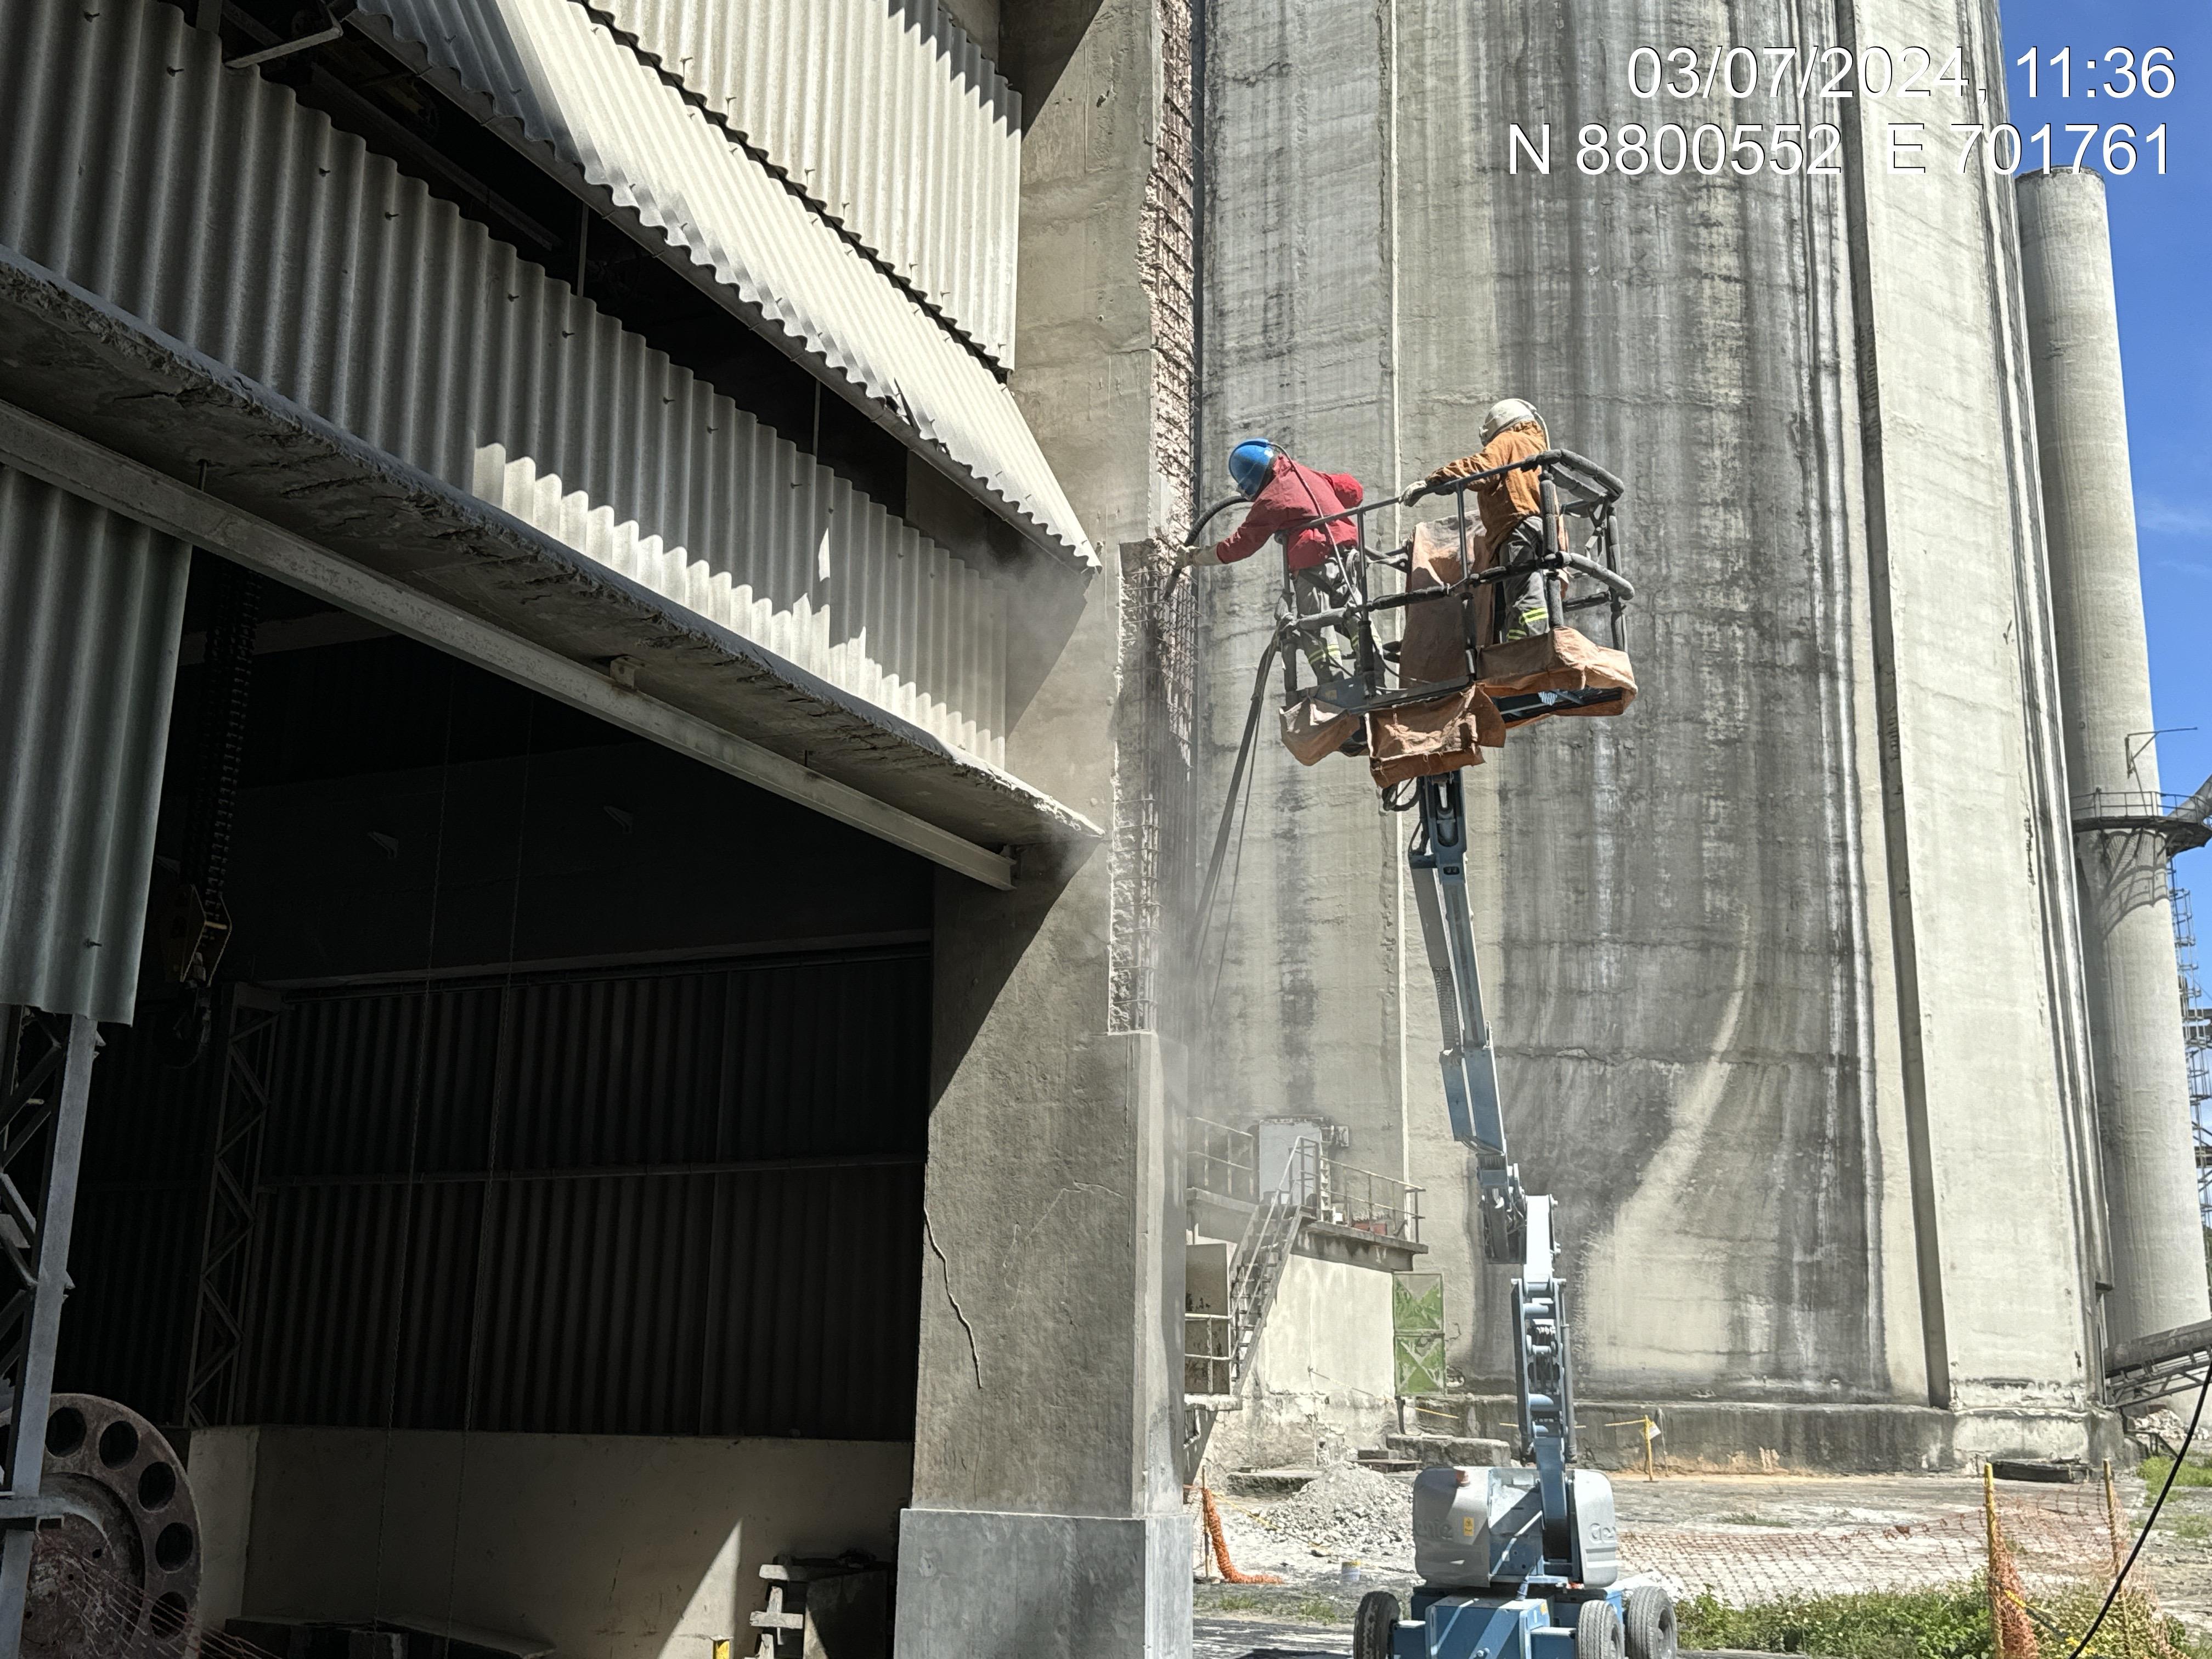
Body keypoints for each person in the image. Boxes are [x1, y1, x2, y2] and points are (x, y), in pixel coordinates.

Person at [1178, 438, 1365, 681]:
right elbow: (1354, 491)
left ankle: (1333, 684)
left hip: (1313, 563)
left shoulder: (1272, 499)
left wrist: (1194, 557)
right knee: (1357, 614)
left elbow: (1241, 545)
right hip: (1348, 557)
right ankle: (1373, 667)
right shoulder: (1306, 474)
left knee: (1316, 627)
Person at [1409, 398, 1554, 641]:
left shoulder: (1508, 440)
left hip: (1515, 524)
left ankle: (1526, 648)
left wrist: (1435, 481)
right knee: (1533, 586)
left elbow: (1482, 468)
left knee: (1523, 593)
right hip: (1541, 527)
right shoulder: (1537, 446)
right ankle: (1530, 642)